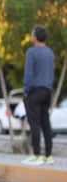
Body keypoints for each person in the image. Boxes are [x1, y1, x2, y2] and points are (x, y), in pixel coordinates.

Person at [21, 24, 55, 165]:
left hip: (34, 90)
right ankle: (48, 155)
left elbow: (29, 74)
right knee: (45, 123)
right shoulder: (50, 52)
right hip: (47, 90)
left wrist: (26, 90)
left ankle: (36, 154)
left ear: (35, 37)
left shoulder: (31, 52)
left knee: (34, 123)